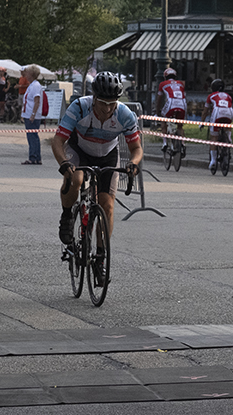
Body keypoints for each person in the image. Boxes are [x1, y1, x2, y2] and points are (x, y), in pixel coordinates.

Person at [52, 72, 142, 283]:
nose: (108, 108)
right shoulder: (80, 107)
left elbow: (136, 148)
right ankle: (66, 217)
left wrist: (133, 164)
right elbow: (58, 141)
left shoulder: (125, 114)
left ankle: (100, 259)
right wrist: (64, 163)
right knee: (76, 179)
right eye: (103, 103)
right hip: (79, 150)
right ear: (94, 98)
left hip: (107, 155)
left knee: (107, 205)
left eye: (112, 103)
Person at [203, 78, 233, 172]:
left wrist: (201, 123)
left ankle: (213, 161)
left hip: (217, 113)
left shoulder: (211, 96)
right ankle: (228, 136)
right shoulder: (228, 96)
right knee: (227, 123)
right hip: (229, 112)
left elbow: (205, 111)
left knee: (214, 137)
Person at [156, 67, 188, 154]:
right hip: (182, 104)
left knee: (164, 120)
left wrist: (157, 111)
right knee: (180, 126)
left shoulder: (162, 84)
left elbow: (159, 98)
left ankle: (165, 142)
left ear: (165, 76)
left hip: (171, 103)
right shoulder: (181, 83)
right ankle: (183, 143)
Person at [20, 65, 45, 165]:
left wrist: (33, 115)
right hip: (28, 114)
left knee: (32, 136)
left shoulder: (35, 86)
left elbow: (37, 101)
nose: (26, 75)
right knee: (33, 136)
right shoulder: (32, 85)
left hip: (32, 115)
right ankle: (36, 157)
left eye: (27, 73)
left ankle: (33, 157)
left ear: (31, 74)